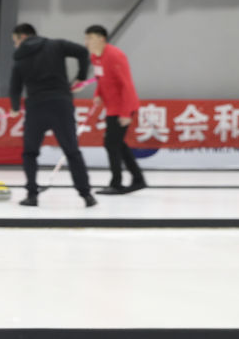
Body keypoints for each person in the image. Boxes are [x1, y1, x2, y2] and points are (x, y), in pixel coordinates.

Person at [9, 24, 96, 208]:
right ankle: (86, 195)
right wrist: (81, 76)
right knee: (72, 151)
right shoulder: (56, 45)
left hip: (36, 106)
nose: (16, 45)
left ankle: (32, 195)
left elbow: (15, 87)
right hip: (61, 104)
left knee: (30, 153)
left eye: (15, 41)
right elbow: (82, 52)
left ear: (22, 37)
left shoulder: (19, 58)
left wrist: (15, 107)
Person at [84, 25, 146, 194]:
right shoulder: (95, 56)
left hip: (124, 107)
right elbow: (100, 77)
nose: (87, 42)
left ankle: (116, 183)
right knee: (117, 144)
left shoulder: (115, 56)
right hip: (112, 107)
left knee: (111, 144)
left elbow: (126, 85)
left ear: (101, 39)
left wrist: (125, 113)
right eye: (86, 38)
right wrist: (98, 94)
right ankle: (138, 179)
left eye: (90, 38)